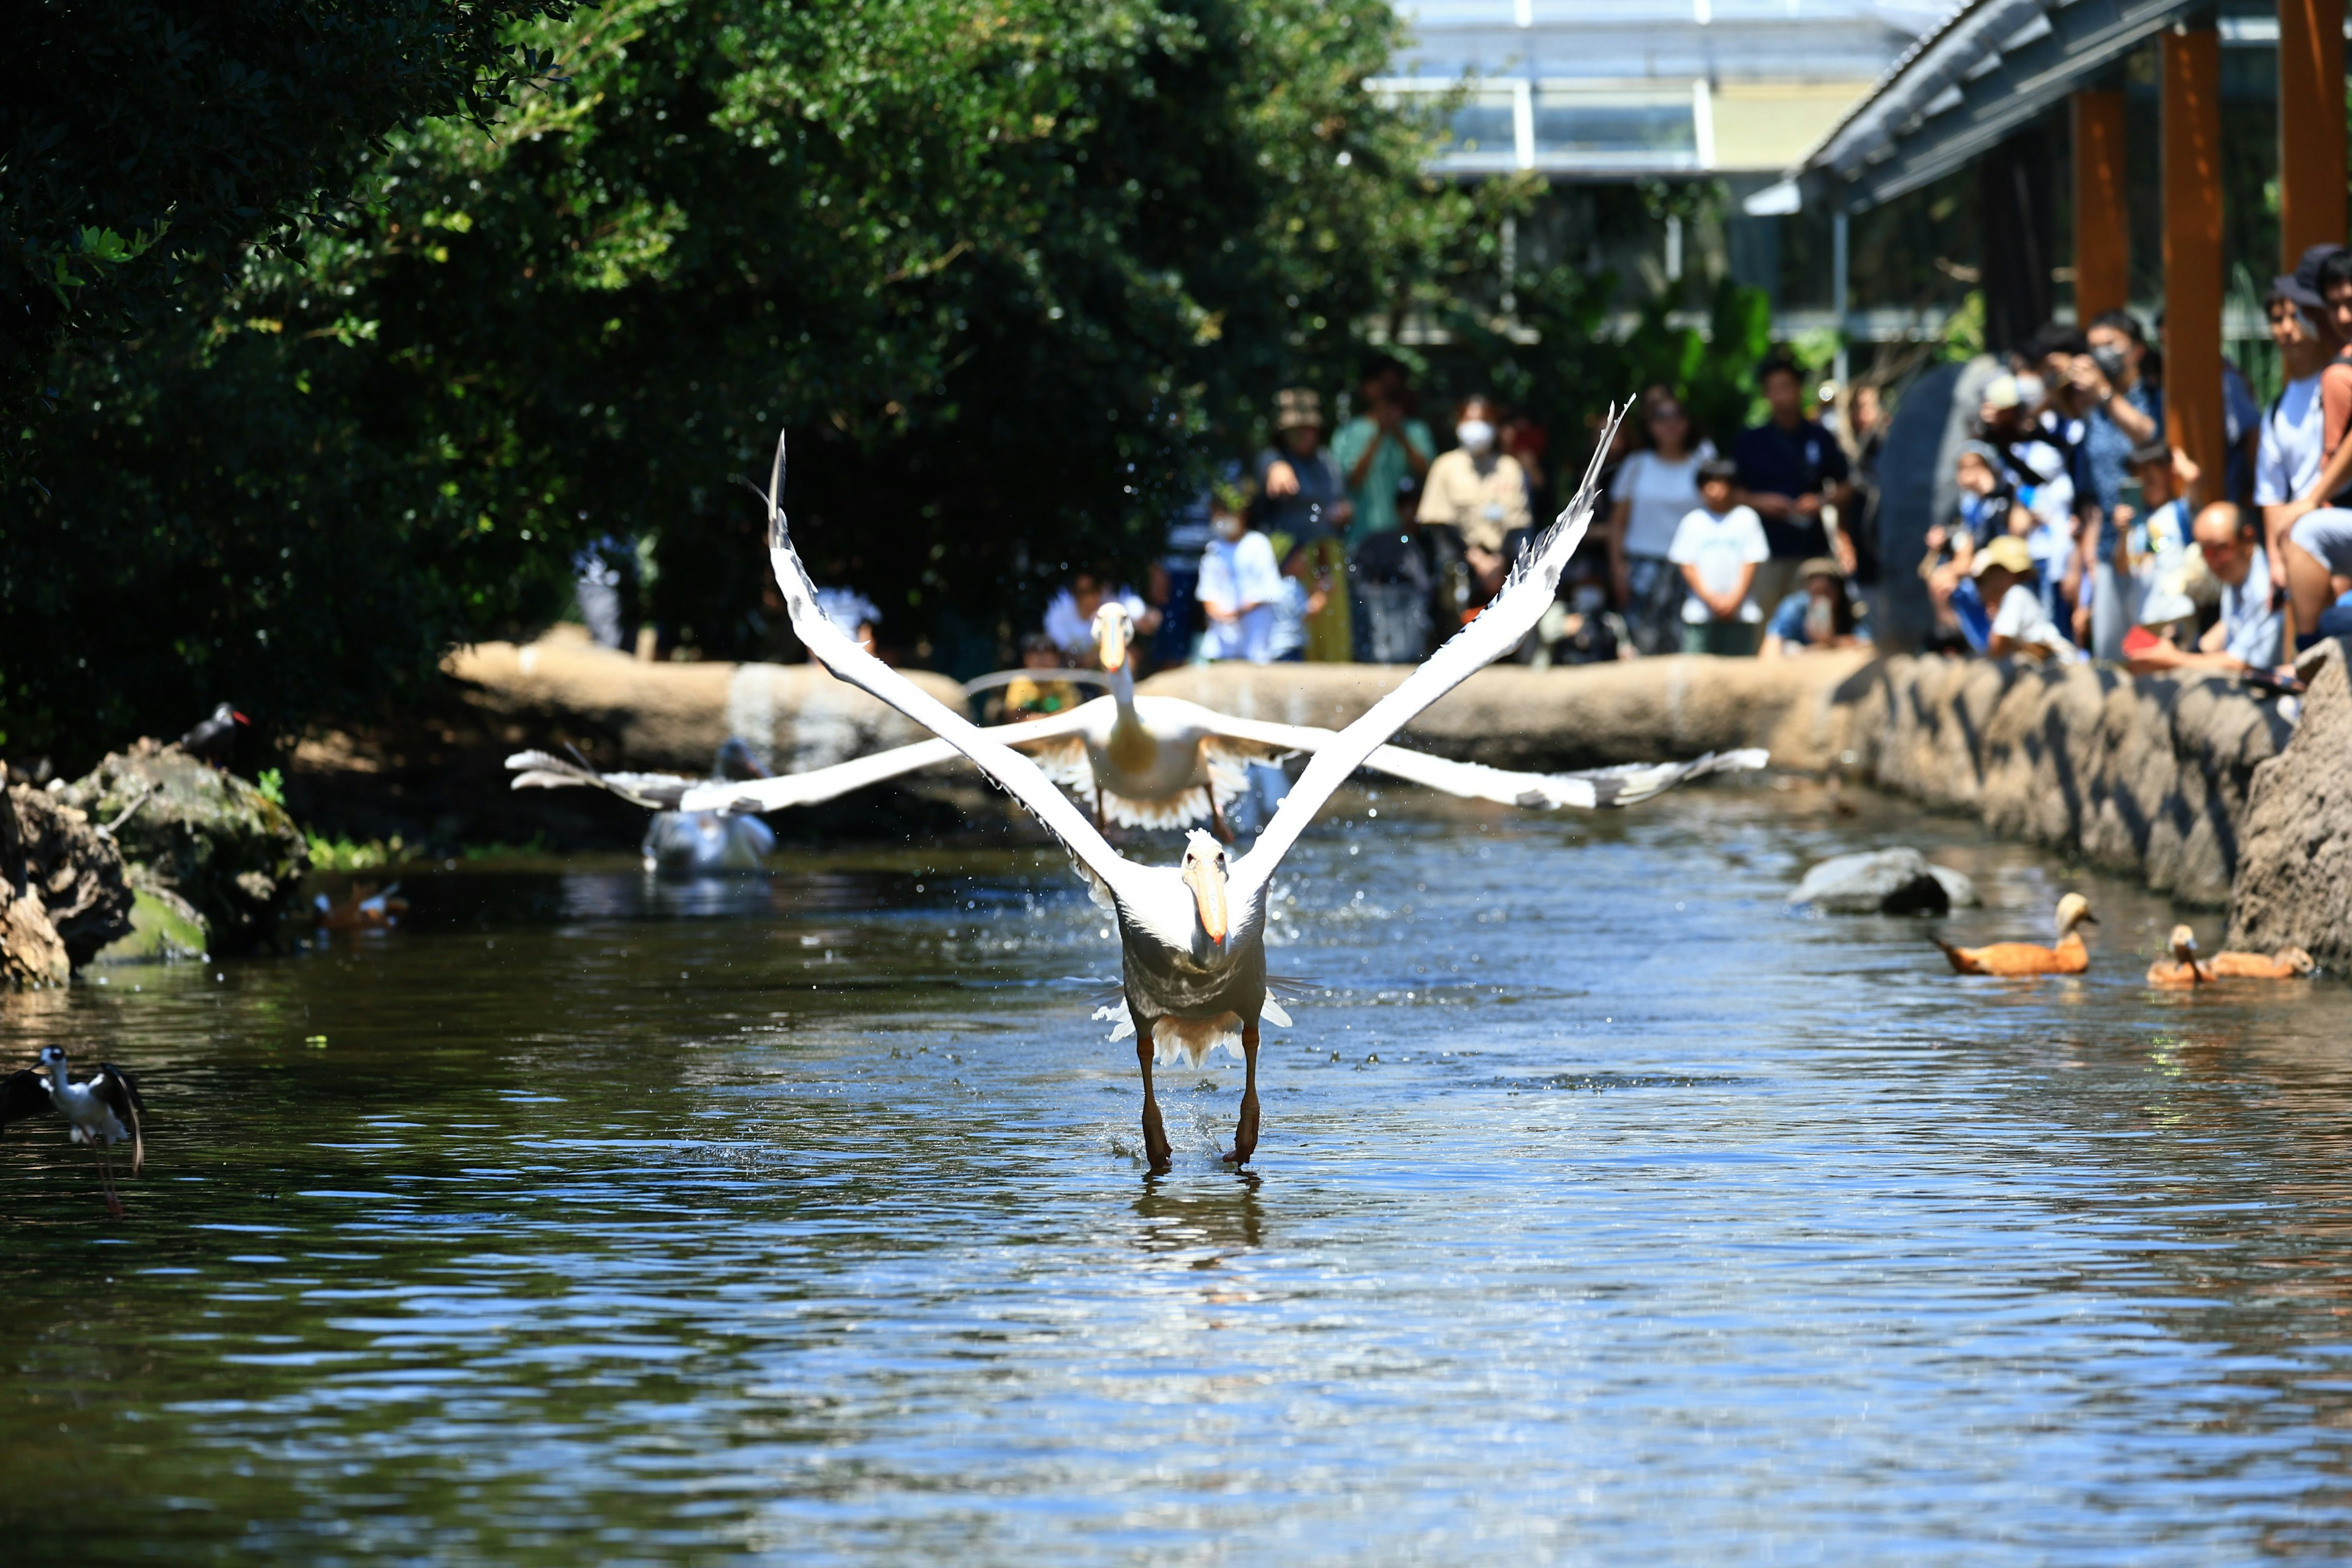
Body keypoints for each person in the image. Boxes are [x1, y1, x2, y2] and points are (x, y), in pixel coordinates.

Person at [1330, 359, 1436, 662]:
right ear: (1367, 389)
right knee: (1364, 608)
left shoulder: (1415, 430)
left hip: (1404, 540)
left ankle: (1412, 662)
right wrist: (1379, 434)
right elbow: (1349, 480)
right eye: (1382, 385)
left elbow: (1428, 474)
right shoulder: (1349, 433)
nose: (1389, 393)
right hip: (1361, 539)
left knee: (1411, 602)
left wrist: (1399, 434)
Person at [1733, 353, 1852, 617]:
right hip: (1765, 551)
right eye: (1773, 389)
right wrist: (1760, 502)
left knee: (1817, 623)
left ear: (1800, 390)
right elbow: (1732, 493)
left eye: (1786, 386)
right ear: (1765, 395)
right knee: (1769, 626)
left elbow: (1847, 487)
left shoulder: (1820, 438)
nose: (1781, 395)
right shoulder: (1751, 440)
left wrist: (1819, 501)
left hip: (1812, 548)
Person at [1606, 393, 1714, 655]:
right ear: (1649, 425)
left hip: (1692, 568)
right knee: (1643, 644)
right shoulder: (1636, 465)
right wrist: (1617, 567)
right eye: (1661, 417)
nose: (1670, 424)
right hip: (1644, 567)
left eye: (1677, 416)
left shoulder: (1702, 466)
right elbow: (1618, 523)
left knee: (1688, 643)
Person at [2124, 503, 2285, 679]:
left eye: (2221, 549)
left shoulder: (2265, 588)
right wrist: (2188, 649)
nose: (2213, 562)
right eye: (2205, 552)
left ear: (2248, 537)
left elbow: (2242, 664)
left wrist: (2175, 659)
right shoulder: (2238, 574)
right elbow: (2230, 626)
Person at [1254, 386, 1352, 663]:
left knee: (1332, 640)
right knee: (1293, 641)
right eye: (1297, 429)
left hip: (1326, 559)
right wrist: (1275, 468)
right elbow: (1269, 475)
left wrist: (1344, 513)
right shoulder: (1273, 460)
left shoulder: (1326, 462)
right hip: (1290, 563)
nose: (1304, 434)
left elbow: (1338, 502)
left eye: (1309, 428)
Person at [1418, 393, 1533, 620]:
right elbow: (1438, 523)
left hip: (1502, 564)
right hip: (1459, 561)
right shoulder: (1445, 467)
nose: (1476, 428)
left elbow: (1519, 523)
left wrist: (1497, 562)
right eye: (1470, 421)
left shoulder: (1509, 468)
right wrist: (1476, 559)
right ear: (1459, 424)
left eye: (1483, 421)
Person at [1668, 456, 1770, 656]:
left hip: (1741, 614)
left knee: (1739, 674)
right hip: (1700, 614)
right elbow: (1687, 565)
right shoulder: (1693, 521)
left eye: (1721, 482)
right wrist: (1711, 600)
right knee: (1696, 673)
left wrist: (1734, 600)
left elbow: (1751, 561)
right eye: (1708, 483)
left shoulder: (1746, 518)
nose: (1714, 489)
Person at [2115, 440, 2199, 641]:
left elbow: (2194, 477)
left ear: (2169, 473)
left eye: (2151, 478)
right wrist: (2123, 532)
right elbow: (2121, 567)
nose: (2146, 486)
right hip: (2143, 616)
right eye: (2140, 479)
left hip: (2176, 613)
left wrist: (2177, 457)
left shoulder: (2182, 510)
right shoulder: (2136, 525)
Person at [1197, 489, 1287, 663]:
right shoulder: (1213, 549)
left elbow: (1269, 589)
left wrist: (1239, 611)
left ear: (1242, 514)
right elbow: (1207, 592)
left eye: (1225, 513)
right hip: (1222, 637)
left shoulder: (1258, 544)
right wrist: (1220, 613)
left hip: (1255, 634)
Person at [1971, 534, 2077, 662]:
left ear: (2006, 573)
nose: (1983, 585)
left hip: (2059, 661)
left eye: (1987, 576)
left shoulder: (2015, 595)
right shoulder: (2018, 594)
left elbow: (1997, 647)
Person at [1044, 569, 1155, 666]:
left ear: (1101, 590)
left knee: (1127, 658)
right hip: (1073, 670)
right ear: (1073, 592)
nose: (1088, 597)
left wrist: (1147, 619)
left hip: (1108, 665)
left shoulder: (1114, 602)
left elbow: (1141, 614)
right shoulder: (1059, 609)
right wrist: (1087, 659)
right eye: (1081, 592)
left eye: (1093, 590)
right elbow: (1060, 654)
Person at [1761, 558, 1869, 657]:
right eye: (1815, 592)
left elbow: (1868, 643)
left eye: (1827, 591)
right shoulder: (1794, 607)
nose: (1821, 598)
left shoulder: (1852, 608)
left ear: (1838, 592)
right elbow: (1771, 648)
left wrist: (1831, 642)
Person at [998, 634, 1087, 721]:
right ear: (1026, 659)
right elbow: (1012, 714)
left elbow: (1071, 710)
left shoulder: (1063, 681)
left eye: (1046, 656)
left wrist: (1044, 720)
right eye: (1037, 656)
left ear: (1057, 659)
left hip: (1058, 731)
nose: (1041, 661)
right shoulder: (1020, 681)